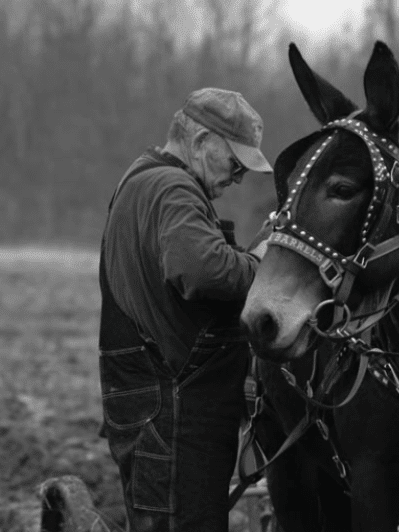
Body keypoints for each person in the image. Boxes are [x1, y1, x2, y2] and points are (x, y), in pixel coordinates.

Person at [98, 88, 272, 532]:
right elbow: (202, 271)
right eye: (235, 162)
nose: (237, 177)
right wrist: (264, 262)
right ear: (200, 143)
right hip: (175, 412)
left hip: (151, 403)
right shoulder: (172, 187)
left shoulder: (141, 180)